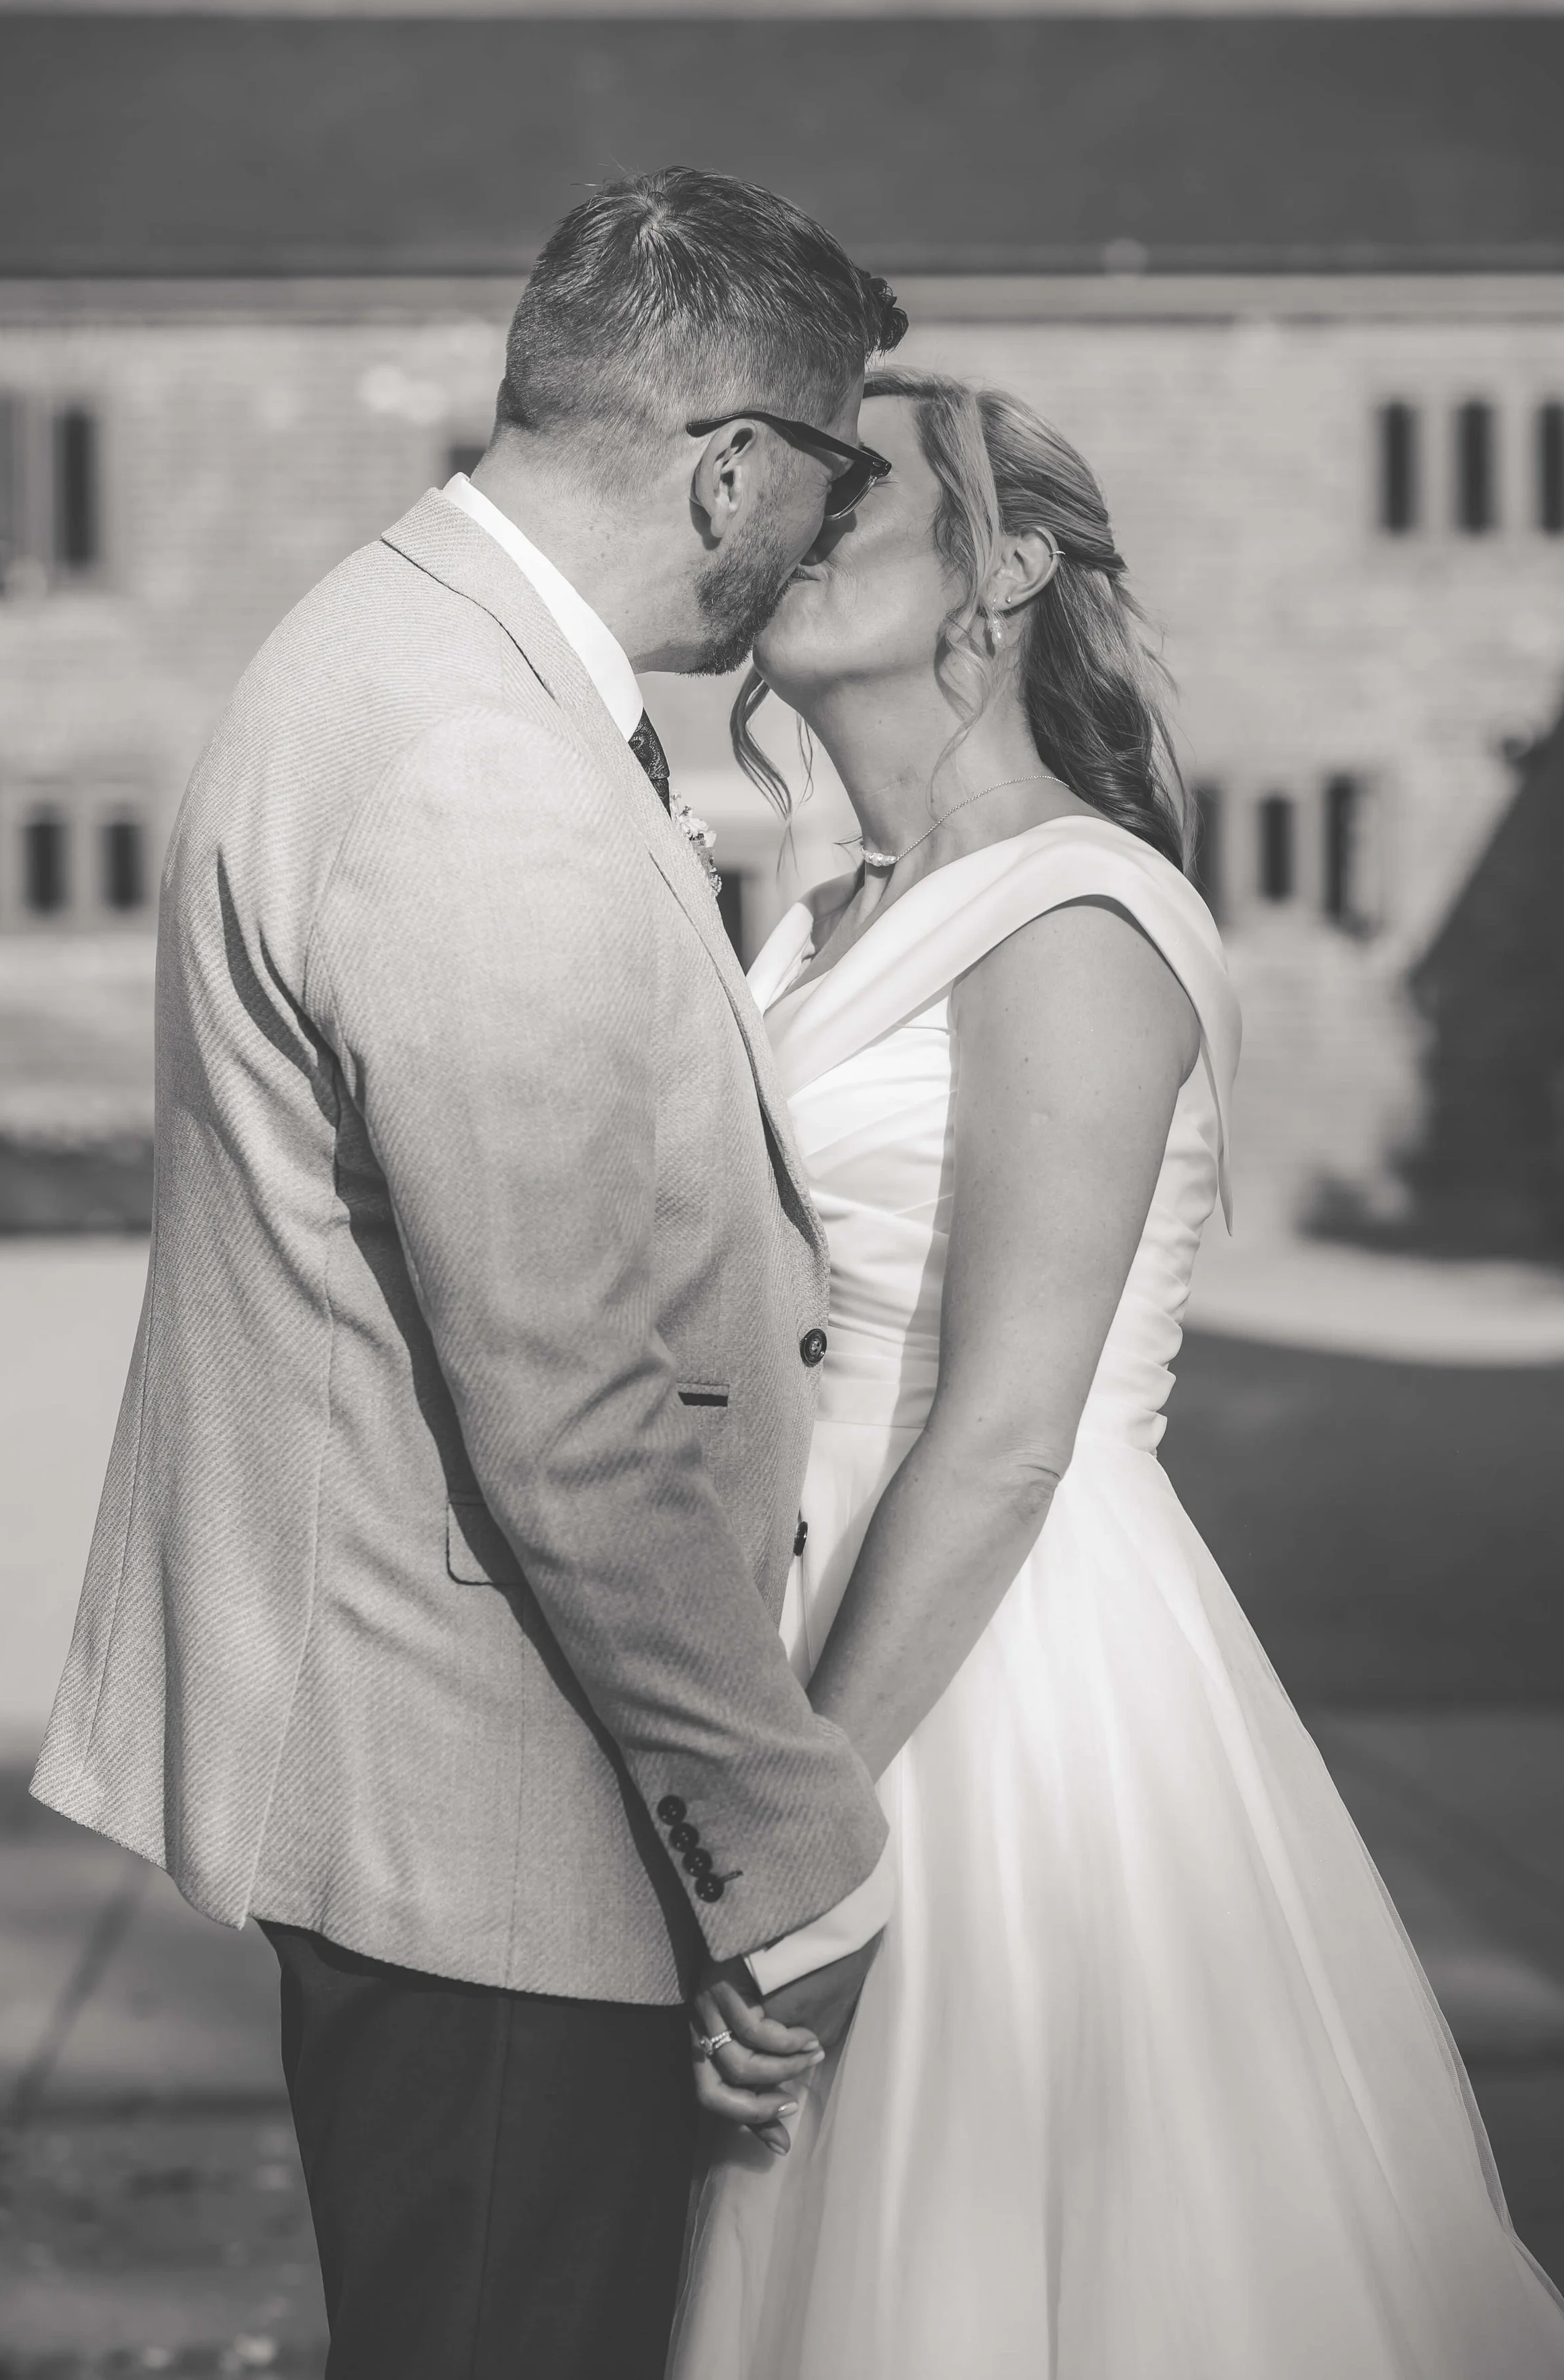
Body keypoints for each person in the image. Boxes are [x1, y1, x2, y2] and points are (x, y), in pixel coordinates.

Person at [30, 169, 911, 2380]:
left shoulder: (395, 641)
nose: (823, 536)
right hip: (489, 1809)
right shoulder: (476, 760)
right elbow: (568, 1397)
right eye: (837, 472)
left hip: (420, 1776)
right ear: (733, 460)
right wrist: (790, 1844)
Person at [668, 367, 1564, 2379]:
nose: (790, 518)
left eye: (854, 489)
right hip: (798, 1626)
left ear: (1007, 562)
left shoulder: (1074, 915)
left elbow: (999, 1438)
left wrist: (785, 1827)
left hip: (984, 1678)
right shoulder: (815, 917)